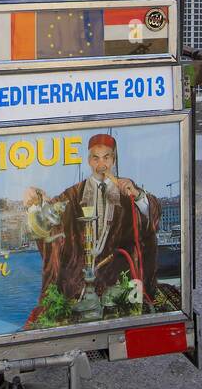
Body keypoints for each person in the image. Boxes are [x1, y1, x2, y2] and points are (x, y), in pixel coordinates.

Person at [23, 132, 162, 320]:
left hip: (120, 277)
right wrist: (36, 201)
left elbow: (150, 216)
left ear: (113, 160)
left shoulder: (127, 190)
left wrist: (137, 195)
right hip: (79, 280)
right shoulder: (73, 194)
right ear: (89, 161)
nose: (101, 164)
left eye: (106, 158)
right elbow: (48, 221)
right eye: (95, 158)